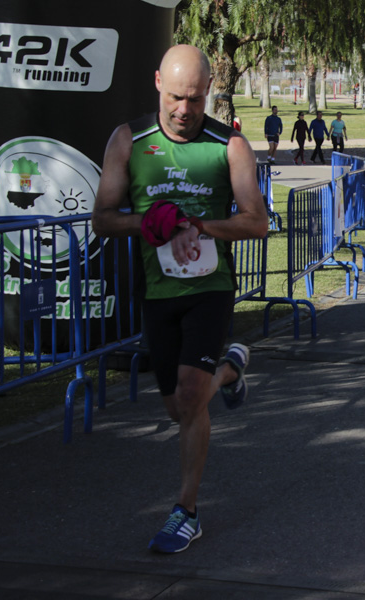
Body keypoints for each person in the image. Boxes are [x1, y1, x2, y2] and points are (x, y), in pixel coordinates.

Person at [91, 44, 268, 554]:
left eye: (194, 99)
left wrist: (195, 224)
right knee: (175, 407)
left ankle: (186, 511)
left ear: (208, 91)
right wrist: (149, 223)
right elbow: (101, 218)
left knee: (192, 398)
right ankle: (231, 369)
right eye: (175, 97)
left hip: (209, 288)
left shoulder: (228, 145)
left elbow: (256, 221)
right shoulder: (129, 141)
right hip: (157, 289)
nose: (184, 110)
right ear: (157, 84)